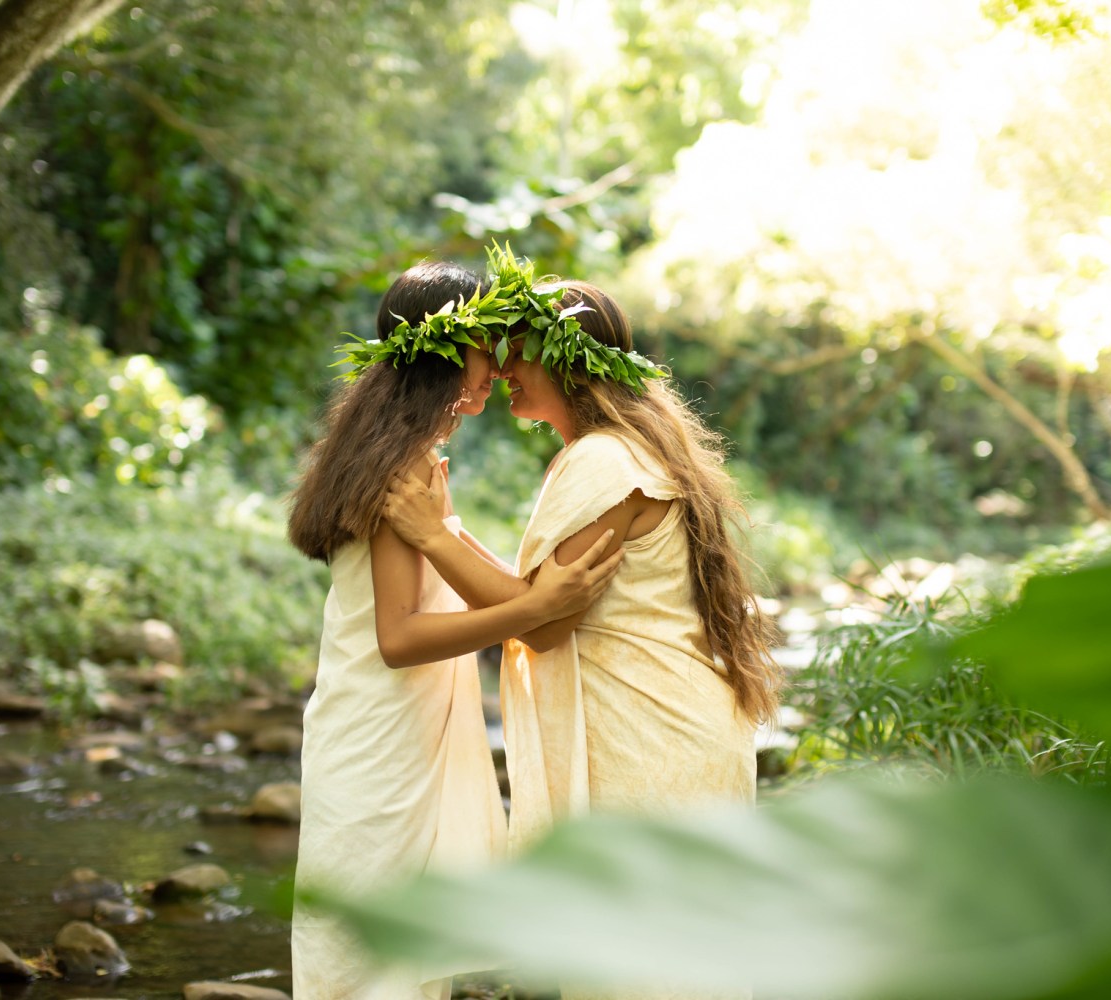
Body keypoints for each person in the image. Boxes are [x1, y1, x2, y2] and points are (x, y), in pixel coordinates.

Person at [286, 259, 625, 1000]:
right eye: (485, 347)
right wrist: (532, 612)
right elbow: (398, 637)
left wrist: (540, 604)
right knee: (372, 959)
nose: (498, 367)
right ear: (441, 353)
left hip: (396, 725)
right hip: (382, 732)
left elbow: (466, 573)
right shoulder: (399, 468)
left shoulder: (406, 455)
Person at [381, 265, 782, 860]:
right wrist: (445, 531)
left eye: (520, 353)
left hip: (651, 743)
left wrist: (435, 540)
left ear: (568, 361)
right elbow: (537, 593)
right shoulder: (621, 451)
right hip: (666, 733)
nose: (503, 368)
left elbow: (543, 623)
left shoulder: (604, 462)